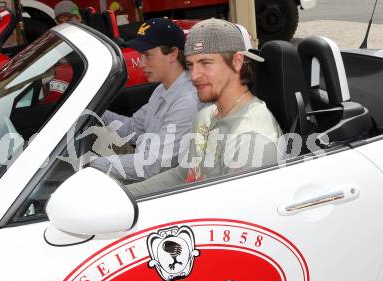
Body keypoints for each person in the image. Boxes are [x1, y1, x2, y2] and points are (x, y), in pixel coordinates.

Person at [127, 18, 283, 196]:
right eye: (191, 64)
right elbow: (184, 175)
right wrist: (124, 195)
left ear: (237, 62)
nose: (194, 75)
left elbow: (237, 214)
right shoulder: (206, 116)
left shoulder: (251, 139)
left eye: (205, 63)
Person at [90, 18, 201, 182]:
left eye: (147, 55)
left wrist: (91, 165)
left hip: (167, 187)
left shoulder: (186, 102)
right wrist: (95, 112)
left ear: (173, 54)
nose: (141, 63)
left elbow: (152, 166)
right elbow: (133, 128)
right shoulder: (162, 89)